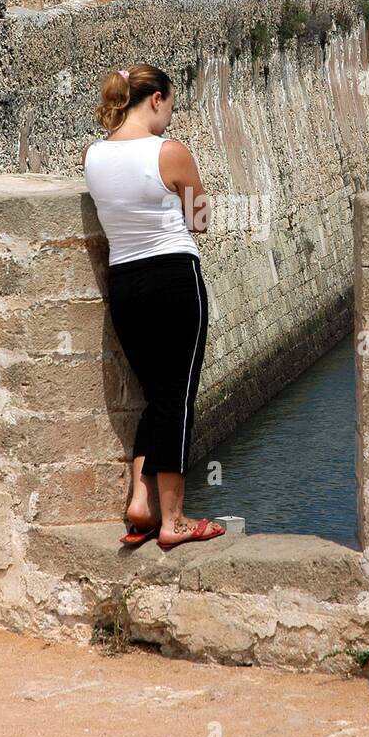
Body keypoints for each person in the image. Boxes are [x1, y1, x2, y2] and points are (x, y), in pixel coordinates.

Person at [83, 65, 225, 551]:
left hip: (125, 283)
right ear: (157, 99)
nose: (170, 116)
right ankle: (175, 520)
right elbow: (200, 220)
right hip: (173, 279)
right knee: (178, 397)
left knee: (156, 394)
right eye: (171, 106)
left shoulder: (95, 155)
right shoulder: (171, 153)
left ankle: (141, 506)